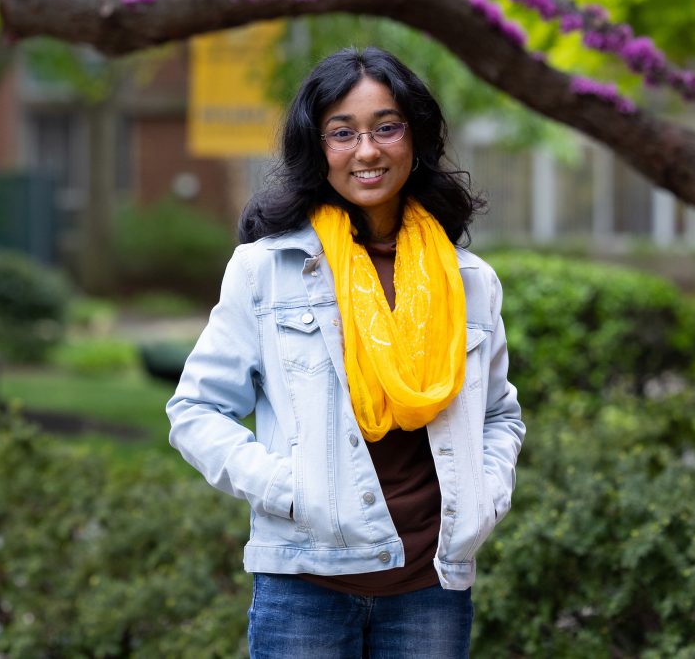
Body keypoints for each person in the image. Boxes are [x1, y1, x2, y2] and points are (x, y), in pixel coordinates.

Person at [167, 47, 526, 658]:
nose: (367, 151)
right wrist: (290, 489)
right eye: (343, 133)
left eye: (387, 127)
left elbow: (499, 416)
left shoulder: (468, 281)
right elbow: (195, 411)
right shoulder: (268, 269)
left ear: (415, 140)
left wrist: (485, 499)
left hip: (431, 586)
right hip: (305, 584)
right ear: (318, 147)